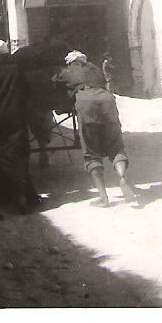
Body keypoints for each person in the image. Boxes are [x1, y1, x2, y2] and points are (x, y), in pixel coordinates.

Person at [53, 50, 135, 208]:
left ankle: (103, 198)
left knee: (91, 153)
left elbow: (54, 81)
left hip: (87, 103)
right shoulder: (95, 70)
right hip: (107, 101)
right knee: (116, 147)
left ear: (71, 62)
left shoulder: (67, 71)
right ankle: (122, 177)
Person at [0, 39, 40, 214]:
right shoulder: (16, 70)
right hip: (15, 118)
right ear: (6, 55)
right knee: (18, 155)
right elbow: (26, 92)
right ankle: (22, 196)